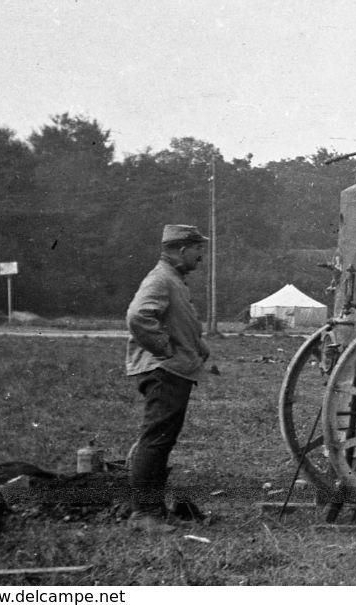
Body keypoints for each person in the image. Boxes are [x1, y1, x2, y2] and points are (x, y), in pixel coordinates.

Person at [123, 224, 212, 533]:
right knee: (156, 440)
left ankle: (155, 511)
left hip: (173, 369)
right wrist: (164, 349)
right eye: (198, 248)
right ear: (182, 250)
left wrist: (197, 347)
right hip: (165, 371)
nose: (202, 255)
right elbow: (138, 316)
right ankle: (145, 515)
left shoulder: (173, 279)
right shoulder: (161, 279)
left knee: (161, 440)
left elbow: (174, 320)